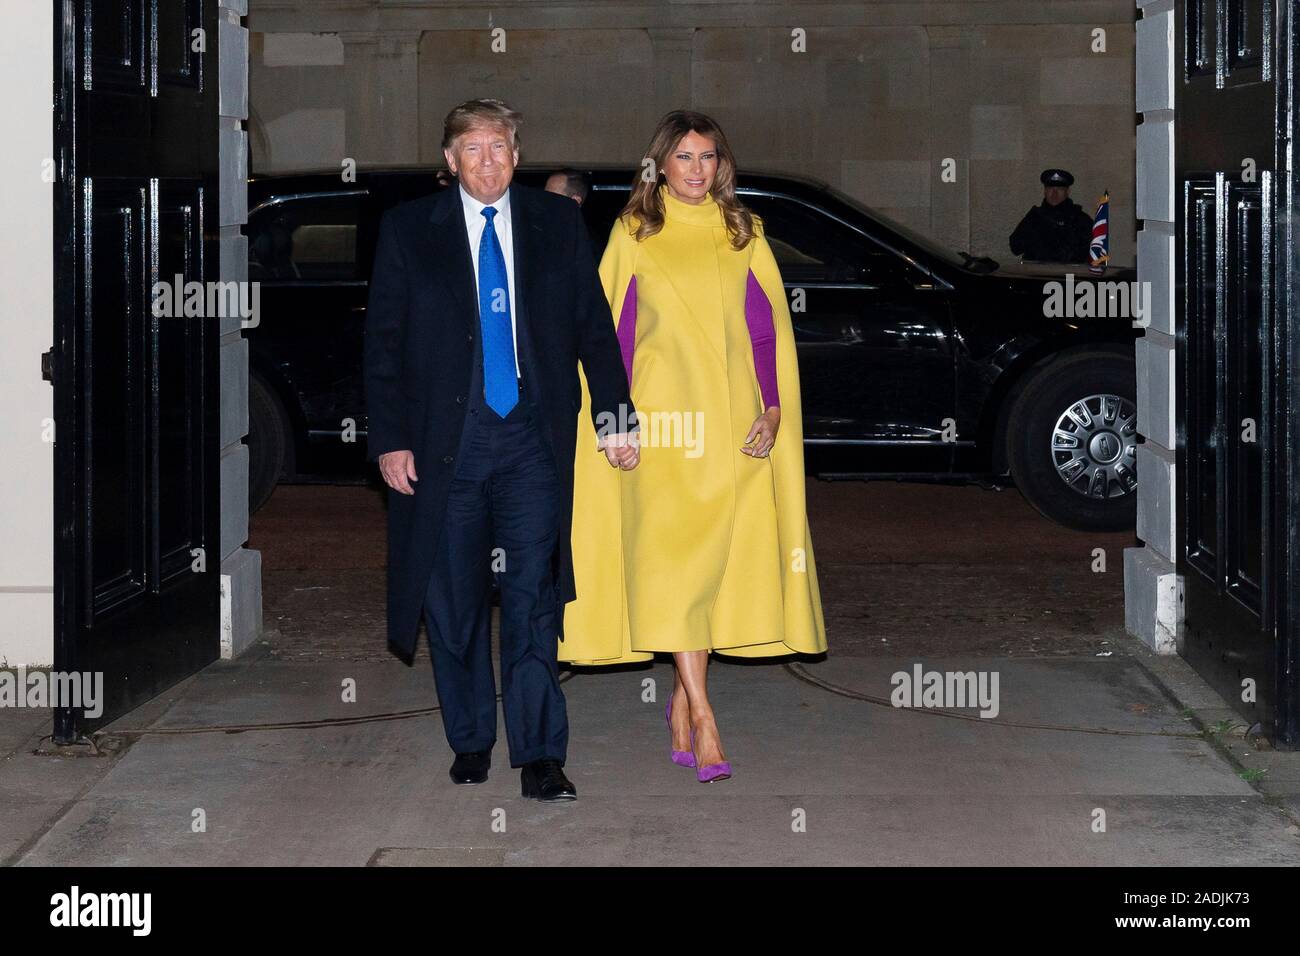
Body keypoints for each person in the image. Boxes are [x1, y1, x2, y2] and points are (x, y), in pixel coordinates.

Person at [363, 98, 637, 802]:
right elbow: (383, 347)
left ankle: (541, 753)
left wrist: (615, 415)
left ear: (518, 155)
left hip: (532, 443)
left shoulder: (556, 223)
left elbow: (594, 329)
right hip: (444, 447)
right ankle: (472, 739)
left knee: (532, 599)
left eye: (501, 148)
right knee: (452, 605)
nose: (489, 161)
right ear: (450, 160)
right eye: (474, 150)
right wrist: (389, 440)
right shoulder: (407, 231)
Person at [562, 109, 828, 783]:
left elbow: (765, 332)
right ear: (660, 165)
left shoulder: (744, 232)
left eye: (707, 157)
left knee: (709, 570)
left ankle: (680, 701)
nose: (696, 169)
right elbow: (608, 338)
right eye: (683, 157)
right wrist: (613, 422)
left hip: (731, 426)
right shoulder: (633, 232)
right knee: (674, 567)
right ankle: (705, 716)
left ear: (721, 165)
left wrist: (772, 409)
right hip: (660, 430)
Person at [1008, 168, 1093, 263]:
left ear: (1068, 192)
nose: (1054, 194)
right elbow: (1015, 247)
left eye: (1059, 189)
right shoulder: (1034, 217)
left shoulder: (1080, 219)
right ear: (1045, 191)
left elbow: (1091, 253)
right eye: (1050, 189)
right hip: (1036, 274)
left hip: (1068, 275)